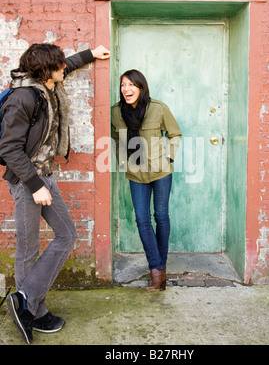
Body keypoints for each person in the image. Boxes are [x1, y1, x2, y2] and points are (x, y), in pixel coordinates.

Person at [0, 42, 110, 344]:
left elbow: (67, 66)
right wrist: (35, 187)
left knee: (66, 234)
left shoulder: (46, 84)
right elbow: (8, 148)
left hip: (44, 175)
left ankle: (25, 301)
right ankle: (33, 310)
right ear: (45, 70)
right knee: (28, 249)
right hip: (27, 181)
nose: (64, 67)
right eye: (58, 64)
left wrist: (90, 55)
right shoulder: (23, 97)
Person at [111, 69, 181, 292]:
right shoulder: (116, 112)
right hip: (135, 172)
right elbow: (115, 136)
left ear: (141, 88)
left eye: (132, 85)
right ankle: (157, 269)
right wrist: (123, 159)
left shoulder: (158, 108)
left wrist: (168, 157)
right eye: (123, 85)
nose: (126, 89)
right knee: (142, 219)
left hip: (161, 172)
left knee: (161, 216)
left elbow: (175, 134)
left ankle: (160, 269)